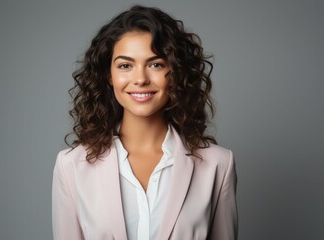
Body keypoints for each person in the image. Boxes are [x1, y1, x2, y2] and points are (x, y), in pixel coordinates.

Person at [52, 5, 238, 240]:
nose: (140, 79)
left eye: (156, 64)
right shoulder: (71, 167)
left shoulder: (217, 165)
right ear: (108, 75)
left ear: (176, 71)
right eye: (125, 66)